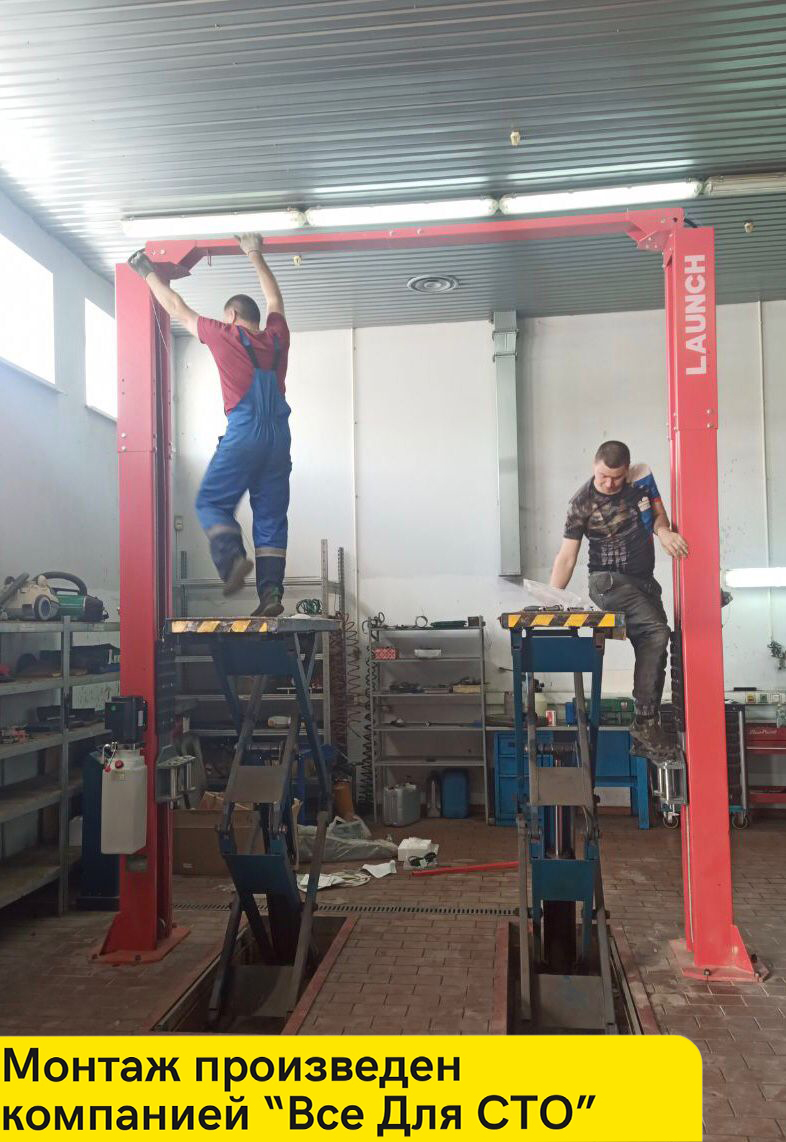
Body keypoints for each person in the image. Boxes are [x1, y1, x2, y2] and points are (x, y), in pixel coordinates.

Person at [128, 233, 291, 617]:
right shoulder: (277, 338)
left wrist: (146, 271)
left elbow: (176, 306)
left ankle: (233, 562)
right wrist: (254, 253)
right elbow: (275, 299)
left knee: (211, 501)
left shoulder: (224, 334)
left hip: (244, 432)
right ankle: (271, 594)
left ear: (231, 315)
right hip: (279, 439)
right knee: (270, 518)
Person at [549, 440, 689, 754]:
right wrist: (552, 599)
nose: (610, 484)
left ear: (626, 470)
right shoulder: (582, 503)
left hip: (644, 584)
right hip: (607, 583)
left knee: (656, 643)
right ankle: (645, 723)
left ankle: (645, 729)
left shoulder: (641, 482)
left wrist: (665, 533)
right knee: (655, 632)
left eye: (616, 477)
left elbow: (659, 517)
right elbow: (567, 558)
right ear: (594, 467)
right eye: (603, 477)